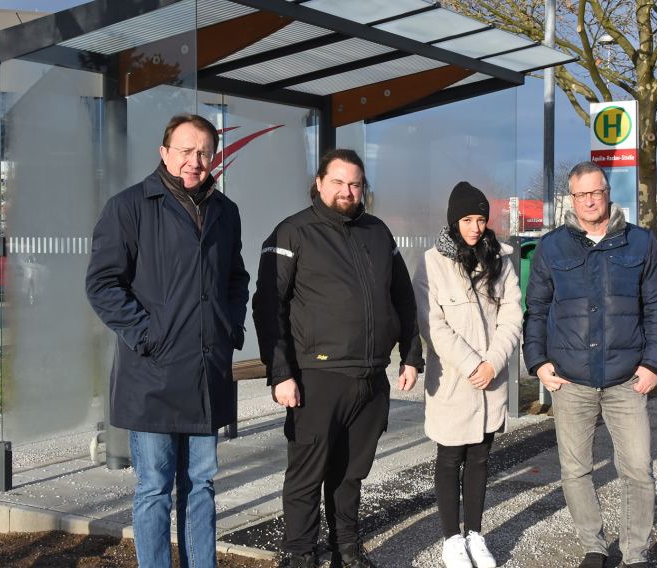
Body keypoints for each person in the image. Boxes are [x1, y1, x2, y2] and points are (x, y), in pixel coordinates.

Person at [85, 114, 249, 568]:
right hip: (151, 375)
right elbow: (102, 284)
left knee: (201, 484)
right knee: (155, 487)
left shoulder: (224, 211)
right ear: (164, 153)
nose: (194, 161)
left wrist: (229, 328)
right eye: (185, 151)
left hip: (204, 373)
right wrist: (146, 335)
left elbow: (236, 278)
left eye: (203, 152)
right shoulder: (130, 206)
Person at [253, 149, 423, 568]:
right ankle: (300, 555)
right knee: (307, 476)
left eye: (355, 183)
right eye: (339, 182)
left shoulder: (378, 232)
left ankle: (346, 549)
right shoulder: (292, 233)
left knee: (351, 474)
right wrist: (280, 372)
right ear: (319, 181)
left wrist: (411, 354)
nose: (348, 191)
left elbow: (402, 296)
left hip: (369, 376)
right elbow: (267, 306)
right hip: (316, 376)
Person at [523, 162, 657, 568]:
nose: (590, 200)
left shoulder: (639, 242)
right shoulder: (552, 247)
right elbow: (535, 310)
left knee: (638, 469)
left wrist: (654, 363)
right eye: (581, 194)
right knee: (575, 470)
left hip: (627, 378)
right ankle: (594, 546)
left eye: (597, 192)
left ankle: (635, 553)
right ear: (571, 199)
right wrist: (537, 361)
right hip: (570, 381)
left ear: (608, 192)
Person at [412, 182, 522, 568]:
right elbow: (432, 325)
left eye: (480, 219)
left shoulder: (500, 261)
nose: (475, 227)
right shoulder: (431, 263)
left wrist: (493, 361)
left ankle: (475, 534)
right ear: (453, 220)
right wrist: (472, 364)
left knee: (480, 458)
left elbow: (512, 315)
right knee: (449, 457)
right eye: (467, 219)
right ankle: (451, 539)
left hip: (491, 381)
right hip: (454, 382)